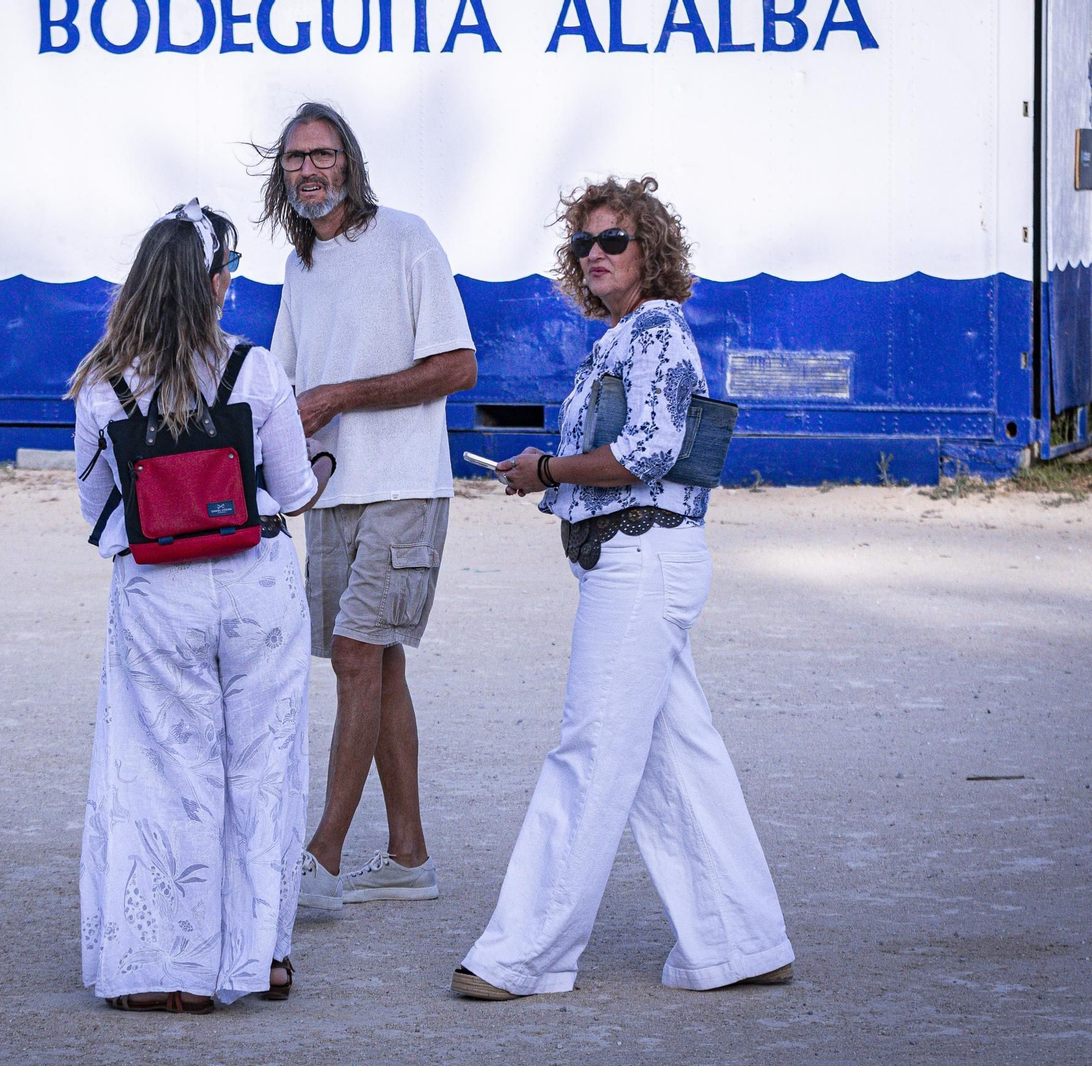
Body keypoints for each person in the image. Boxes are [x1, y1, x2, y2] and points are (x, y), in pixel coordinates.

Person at [453, 177, 795, 1000]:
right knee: (675, 759)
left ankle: (526, 955)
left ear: (652, 252)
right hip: (639, 558)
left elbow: (642, 453)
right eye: (584, 244)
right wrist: (544, 475)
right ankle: (740, 941)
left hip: (642, 561)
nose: (596, 255)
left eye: (615, 242)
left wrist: (546, 469)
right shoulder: (624, 338)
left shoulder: (654, 335)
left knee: (592, 750)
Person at [70, 200, 333, 1013]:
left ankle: (159, 967)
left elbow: (95, 512)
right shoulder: (255, 370)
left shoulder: (102, 386)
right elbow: (293, 490)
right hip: (254, 582)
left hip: (157, 594)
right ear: (216, 286)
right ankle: (261, 958)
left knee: (159, 770)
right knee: (261, 769)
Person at [258, 102, 478, 909]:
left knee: (355, 656)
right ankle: (409, 854)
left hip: (402, 487)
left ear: (349, 163)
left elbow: (458, 367)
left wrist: (341, 395)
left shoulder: (406, 239)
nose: (309, 171)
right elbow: (281, 392)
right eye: (293, 160)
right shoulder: (299, 267)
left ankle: (320, 860)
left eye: (322, 156)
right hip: (329, 494)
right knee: (378, 662)